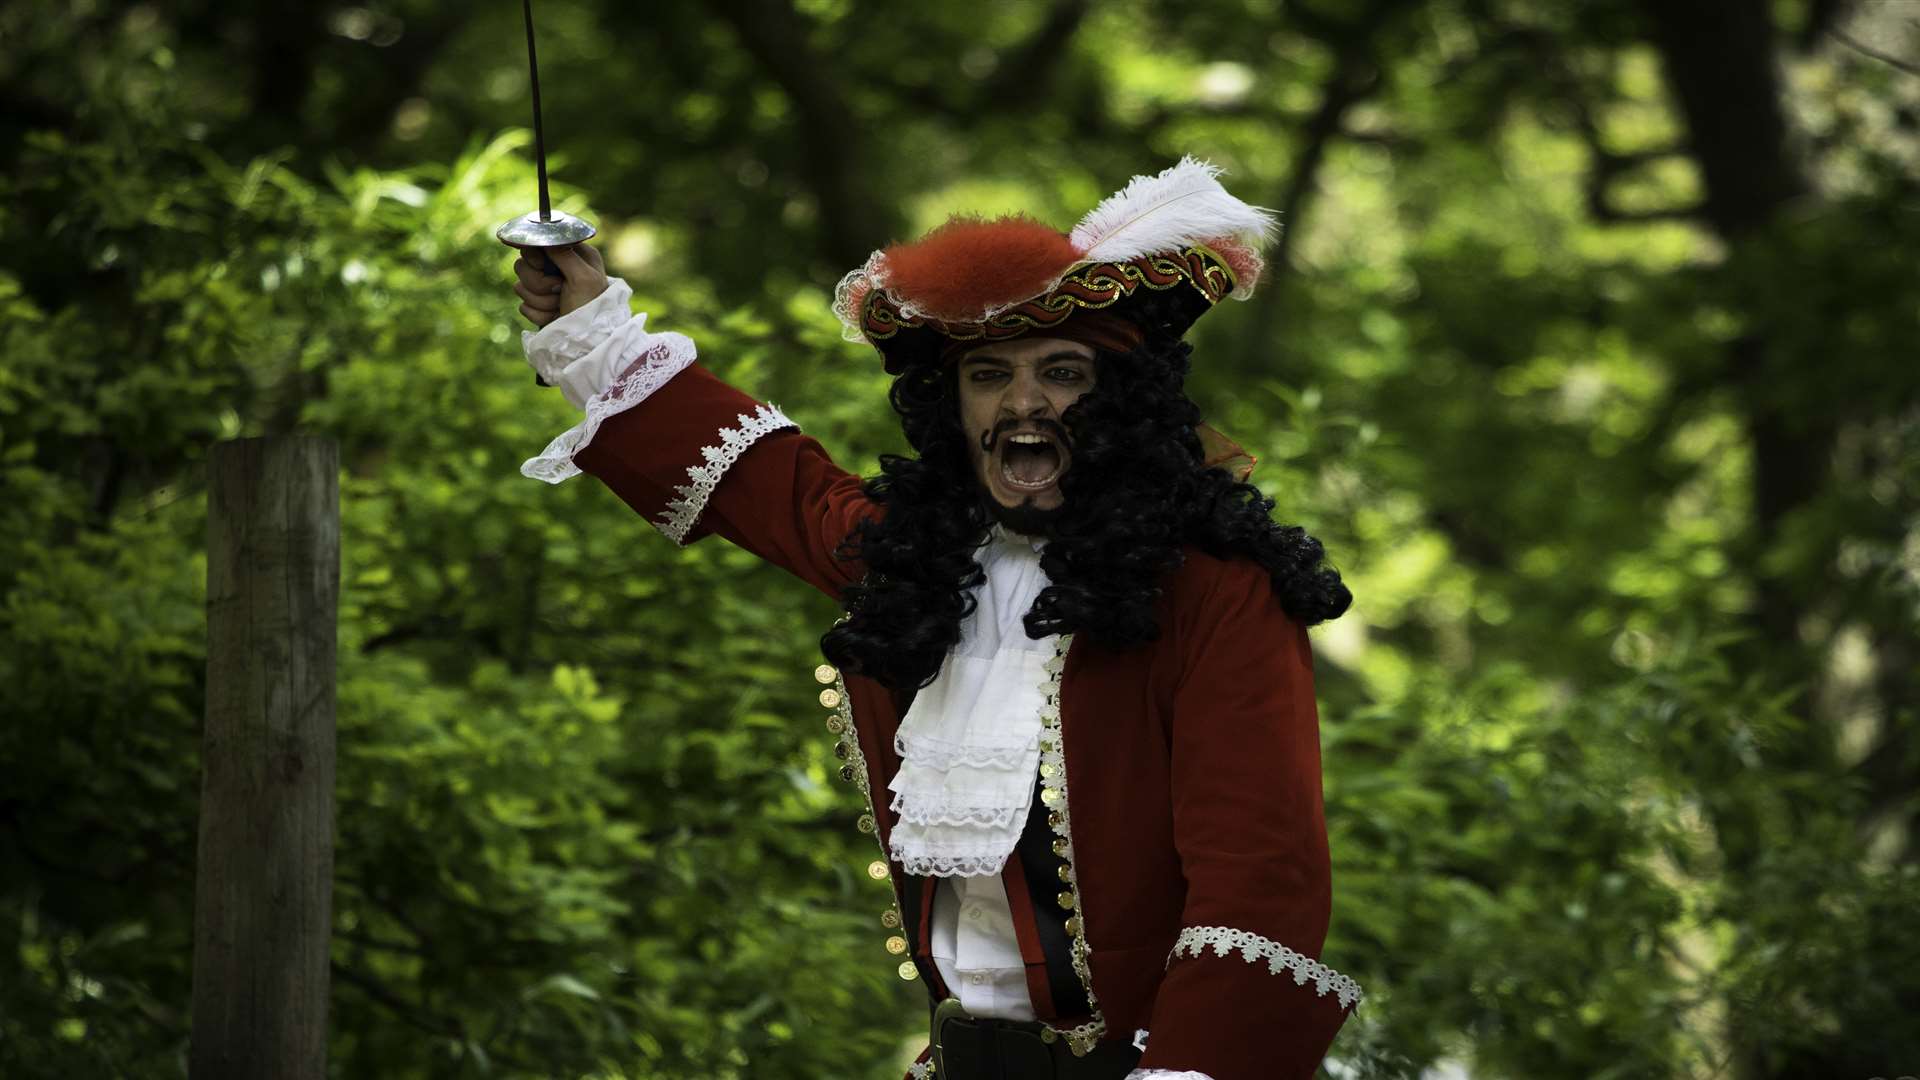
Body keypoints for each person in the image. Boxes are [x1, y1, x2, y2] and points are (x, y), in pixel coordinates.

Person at [508, 158, 1364, 1080]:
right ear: (953, 406)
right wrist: (587, 321)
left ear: (1123, 399)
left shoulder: (1214, 590)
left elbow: (1260, 883)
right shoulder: (921, 563)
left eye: (1062, 373)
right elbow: (764, 479)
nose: (1024, 403)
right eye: (989, 375)